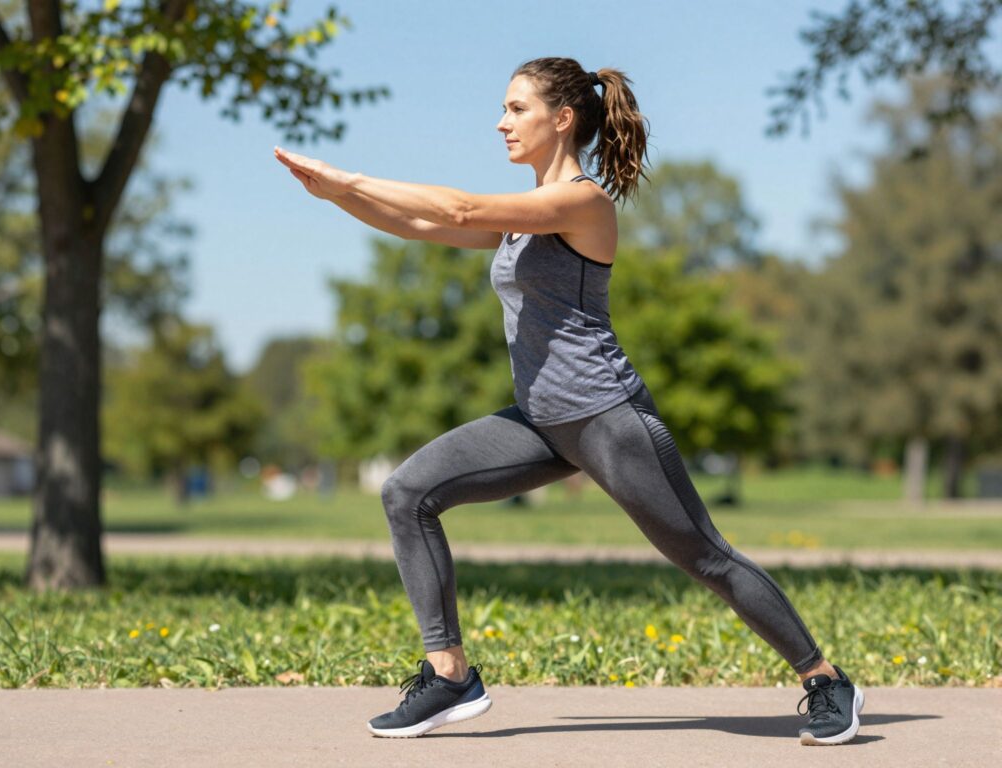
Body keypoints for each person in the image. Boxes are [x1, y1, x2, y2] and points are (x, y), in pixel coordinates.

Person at [273, 56, 863, 746]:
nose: (501, 122)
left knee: (704, 556)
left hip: (608, 418)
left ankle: (825, 679)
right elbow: (425, 227)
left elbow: (460, 207)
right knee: (407, 492)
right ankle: (450, 675)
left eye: (516, 109)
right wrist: (335, 196)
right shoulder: (523, 219)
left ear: (562, 119)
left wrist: (352, 176)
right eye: (503, 109)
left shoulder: (582, 202)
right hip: (541, 422)